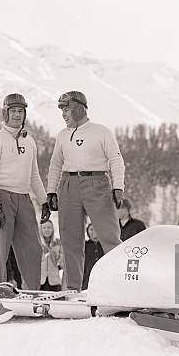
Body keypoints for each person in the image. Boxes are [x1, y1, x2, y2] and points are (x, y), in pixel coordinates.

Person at [46, 90, 125, 292]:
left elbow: (116, 159)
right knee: (70, 240)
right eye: (61, 110)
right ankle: (73, 288)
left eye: (66, 109)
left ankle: (122, 286)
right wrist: (51, 191)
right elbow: (55, 164)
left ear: (79, 108)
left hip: (96, 182)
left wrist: (118, 187)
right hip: (68, 184)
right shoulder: (63, 135)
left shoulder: (101, 131)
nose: (63, 114)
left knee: (110, 237)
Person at [0, 93, 50, 289]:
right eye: (13, 111)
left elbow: (34, 175)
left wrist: (43, 201)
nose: (17, 115)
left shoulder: (30, 142)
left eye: (21, 111)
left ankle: (32, 292)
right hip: (0, 198)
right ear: (5, 113)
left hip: (23, 198)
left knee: (33, 249)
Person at [40, 220, 63, 292]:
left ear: (52, 229)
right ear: (40, 229)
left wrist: (53, 254)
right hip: (40, 280)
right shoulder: (38, 243)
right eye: (44, 227)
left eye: (49, 227)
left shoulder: (58, 243)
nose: (46, 229)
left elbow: (62, 262)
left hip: (54, 280)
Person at [83, 223, 104, 290]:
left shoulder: (104, 245)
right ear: (88, 231)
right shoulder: (84, 245)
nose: (94, 231)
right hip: (87, 279)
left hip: (102, 278)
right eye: (91, 229)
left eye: (96, 229)